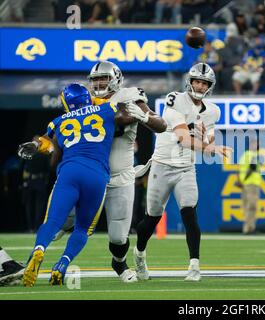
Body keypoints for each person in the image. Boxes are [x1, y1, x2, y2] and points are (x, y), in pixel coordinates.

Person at [54, 61, 167, 283]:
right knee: (60, 221)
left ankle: (119, 263)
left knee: (118, 237)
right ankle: (57, 231)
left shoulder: (130, 96)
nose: (98, 83)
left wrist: (144, 116)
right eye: (95, 79)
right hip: (90, 173)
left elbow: (161, 125)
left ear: (116, 79)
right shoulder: (84, 102)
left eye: (103, 78)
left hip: (119, 175)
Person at [17, 83, 136, 286]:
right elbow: (128, 114)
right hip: (97, 175)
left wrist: (36, 144)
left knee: (52, 222)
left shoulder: (59, 120)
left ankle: (38, 250)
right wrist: (101, 102)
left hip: (70, 171)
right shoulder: (106, 108)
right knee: (83, 229)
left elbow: (46, 141)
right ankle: (63, 264)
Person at [133, 63, 232, 282]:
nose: (199, 85)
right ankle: (139, 254)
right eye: (196, 81)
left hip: (186, 167)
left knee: (189, 214)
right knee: (152, 218)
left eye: (204, 82)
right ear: (190, 81)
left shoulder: (213, 110)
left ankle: (194, 266)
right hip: (162, 164)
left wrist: (208, 141)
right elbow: (183, 138)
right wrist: (209, 147)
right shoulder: (175, 100)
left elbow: (208, 137)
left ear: (210, 86)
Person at [238, 139, 262, 235]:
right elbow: (252, 168)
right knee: (252, 206)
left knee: (246, 206)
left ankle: (247, 227)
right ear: (252, 145)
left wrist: (240, 181)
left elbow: (239, 169)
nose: (257, 146)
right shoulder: (253, 155)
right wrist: (244, 180)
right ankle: (249, 228)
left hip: (245, 184)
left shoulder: (244, 155)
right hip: (252, 183)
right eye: (256, 144)